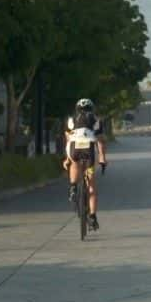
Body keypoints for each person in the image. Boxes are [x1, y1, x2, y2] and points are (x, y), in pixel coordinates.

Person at [63, 99, 108, 231]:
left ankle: (73, 187)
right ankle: (93, 217)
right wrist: (102, 158)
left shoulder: (71, 119)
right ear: (92, 109)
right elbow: (100, 141)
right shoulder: (95, 119)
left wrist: (67, 159)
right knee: (91, 187)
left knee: (74, 163)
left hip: (74, 148)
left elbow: (68, 138)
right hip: (88, 150)